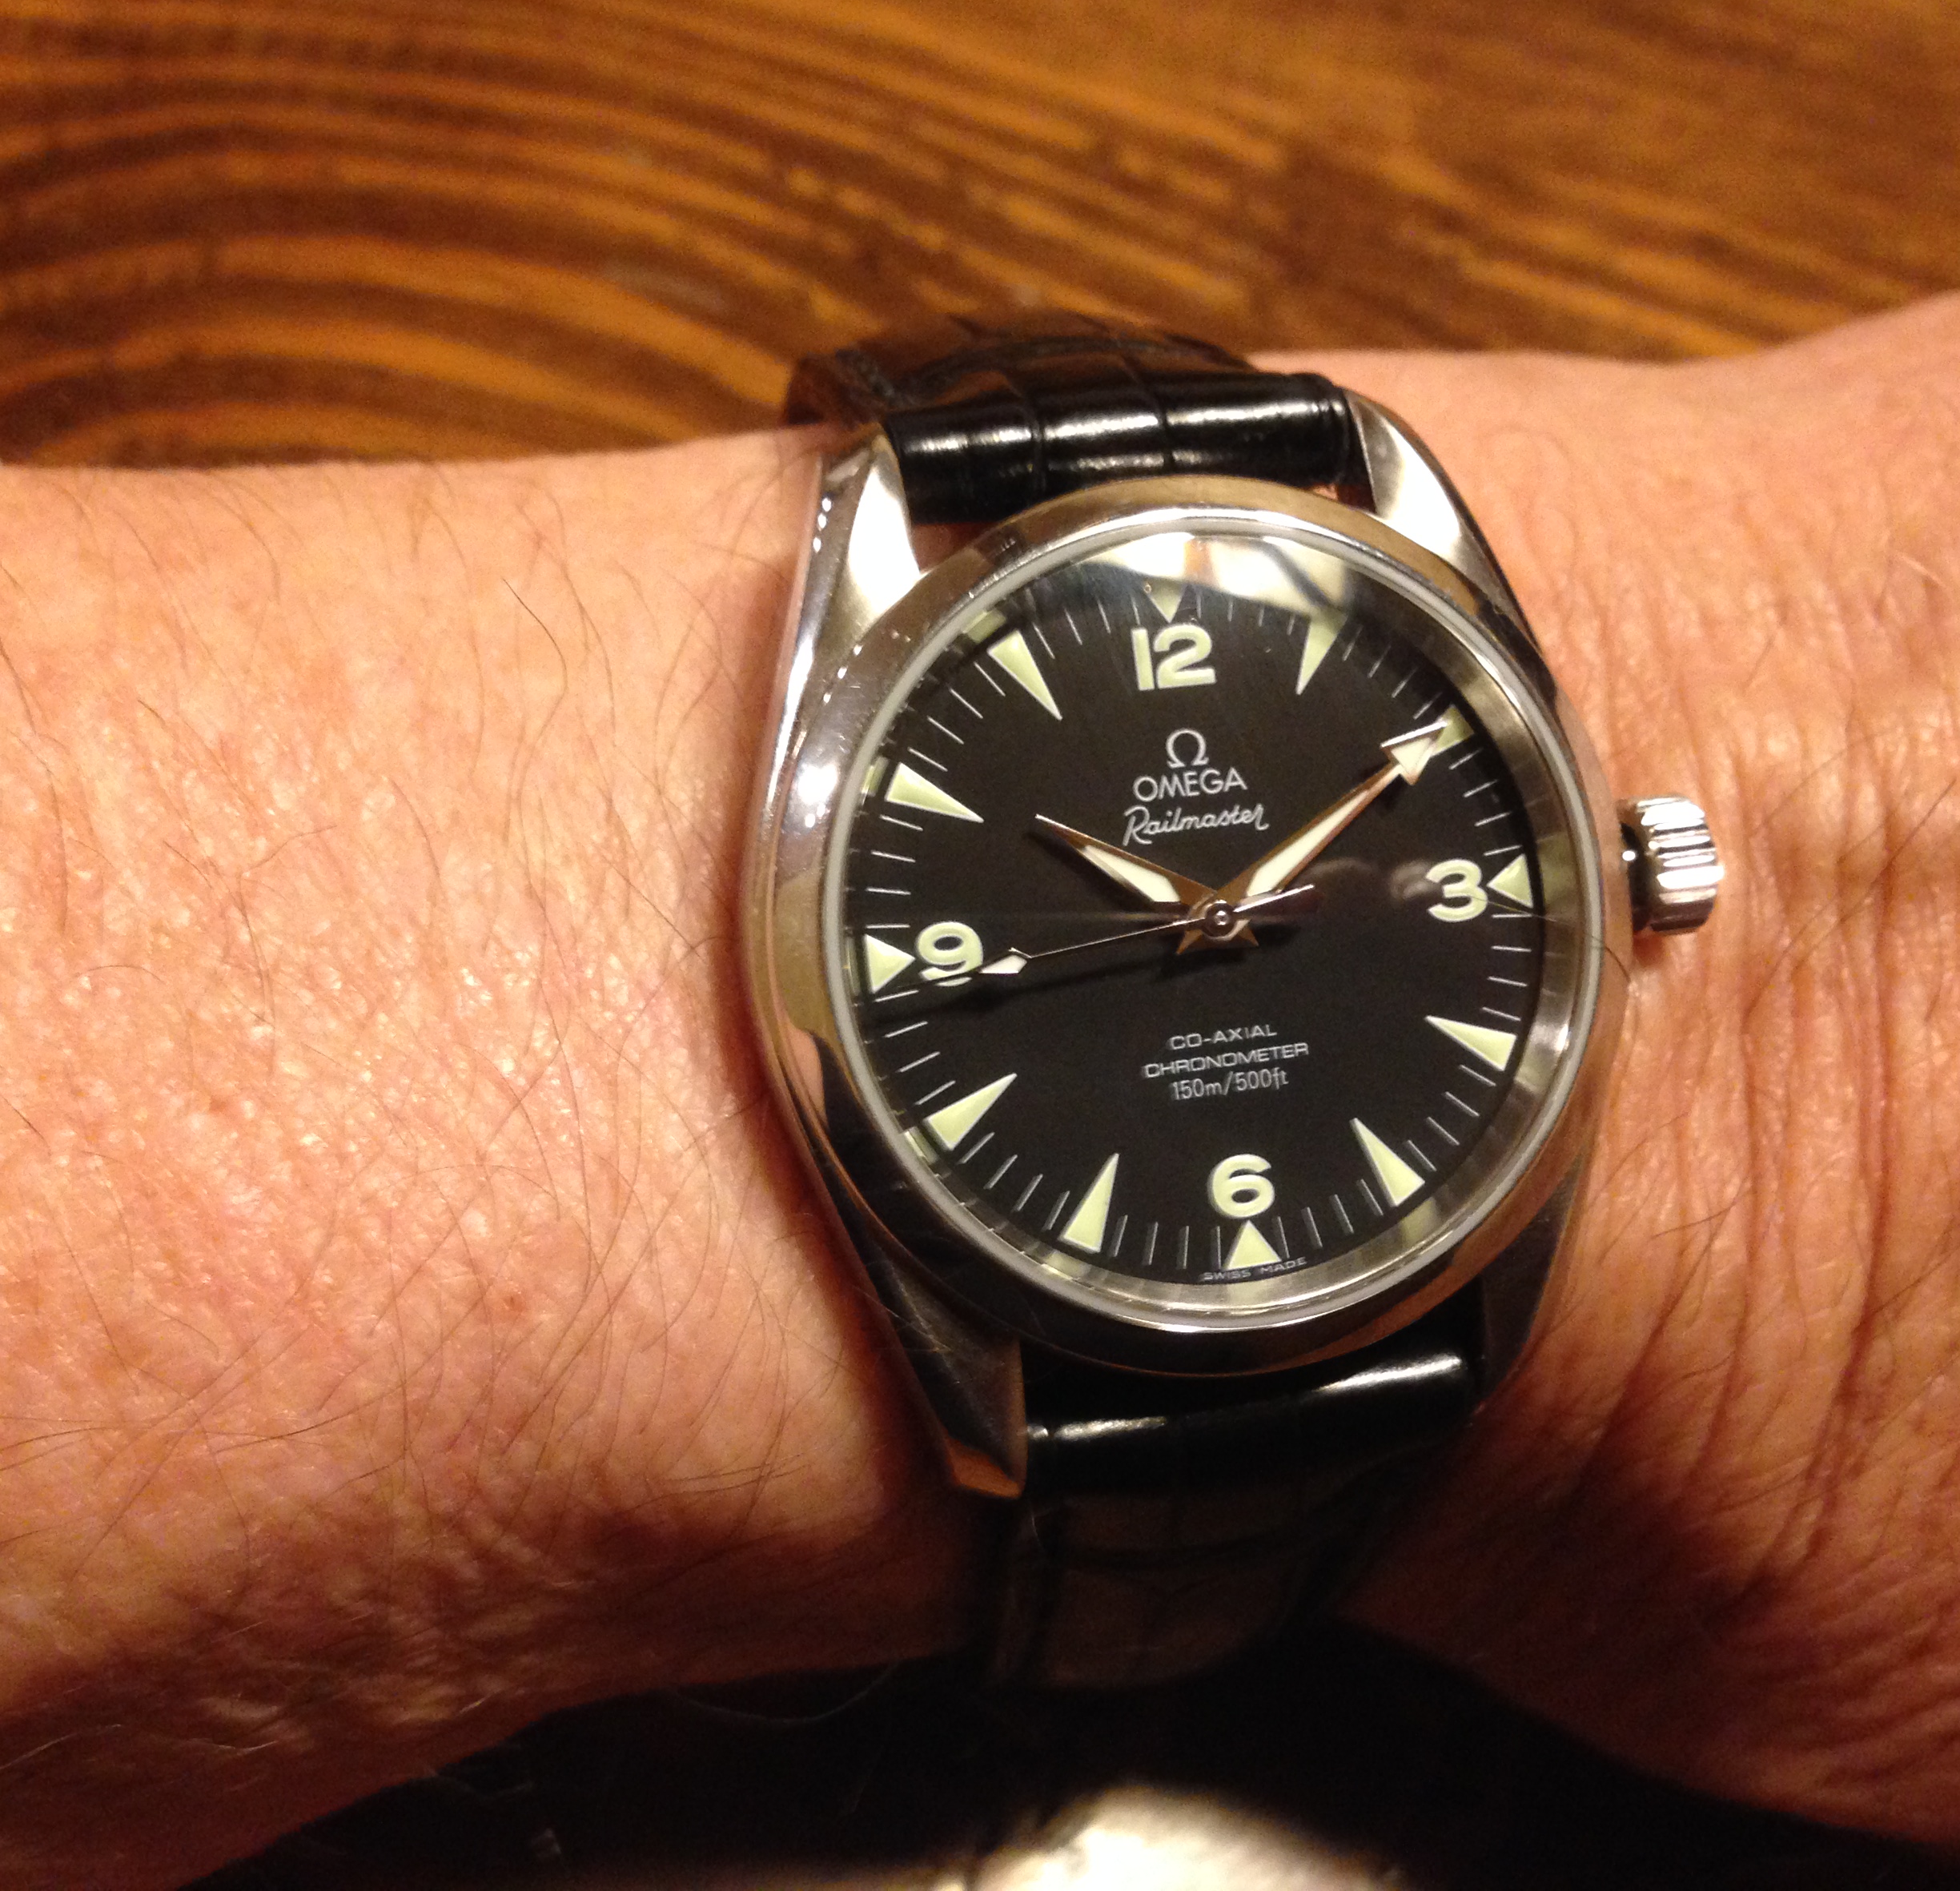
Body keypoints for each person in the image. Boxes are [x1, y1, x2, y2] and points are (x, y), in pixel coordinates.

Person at [0, 298, 1954, 1890]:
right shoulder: (908, 639)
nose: (1215, 923)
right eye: (1197, 913)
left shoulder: (1498, 917)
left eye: (1232, 910)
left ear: (1635, 871)